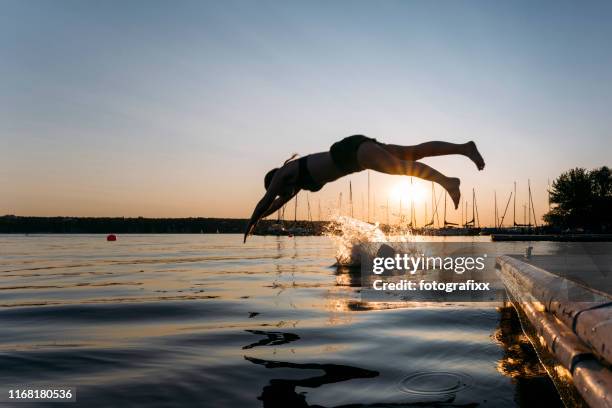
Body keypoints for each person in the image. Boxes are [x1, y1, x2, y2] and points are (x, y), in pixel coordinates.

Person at [244, 135, 484, 241]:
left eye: (278, 189)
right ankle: (464, 148)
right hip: (357, 153)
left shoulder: (287, 172)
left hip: (352, 153)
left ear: (276, 179)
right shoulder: (295, 185)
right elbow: (273, 205)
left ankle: (448, 182)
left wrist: (251, 223)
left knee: (402, 167)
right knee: (414, 152)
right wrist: (261, 220)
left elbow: (266, 200)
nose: (281, 194)